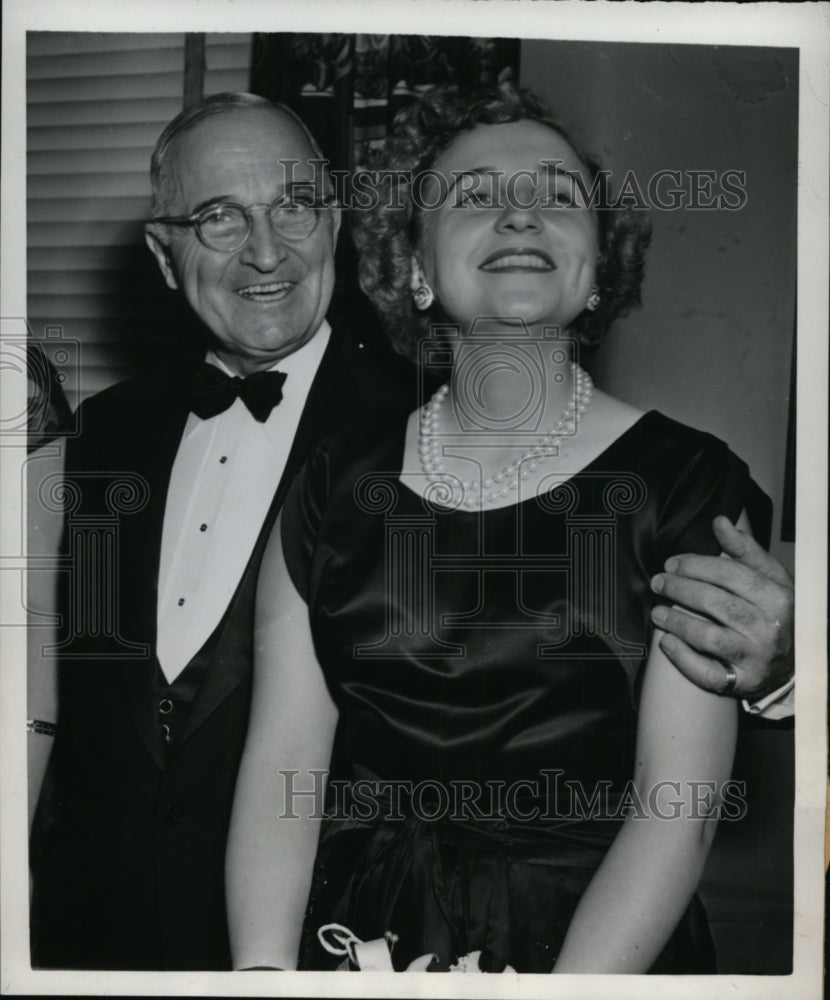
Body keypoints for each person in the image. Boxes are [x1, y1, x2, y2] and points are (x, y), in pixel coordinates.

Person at [28, 89, 792, 973]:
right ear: (415, 267)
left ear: (599, 266)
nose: (518, 213)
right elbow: (259, 764)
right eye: (474, 194)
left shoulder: (688, 483)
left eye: (556, 194)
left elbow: (679, 810)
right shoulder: (162, 450)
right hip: (305, 937)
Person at [28, 92, 410, 971]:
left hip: (324, 949)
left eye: (294, 207)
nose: (266, 251)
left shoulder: (429, 437)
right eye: (219, 217)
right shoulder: (96, 440)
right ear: (165, 256)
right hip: (91, 945)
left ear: (336, 223)